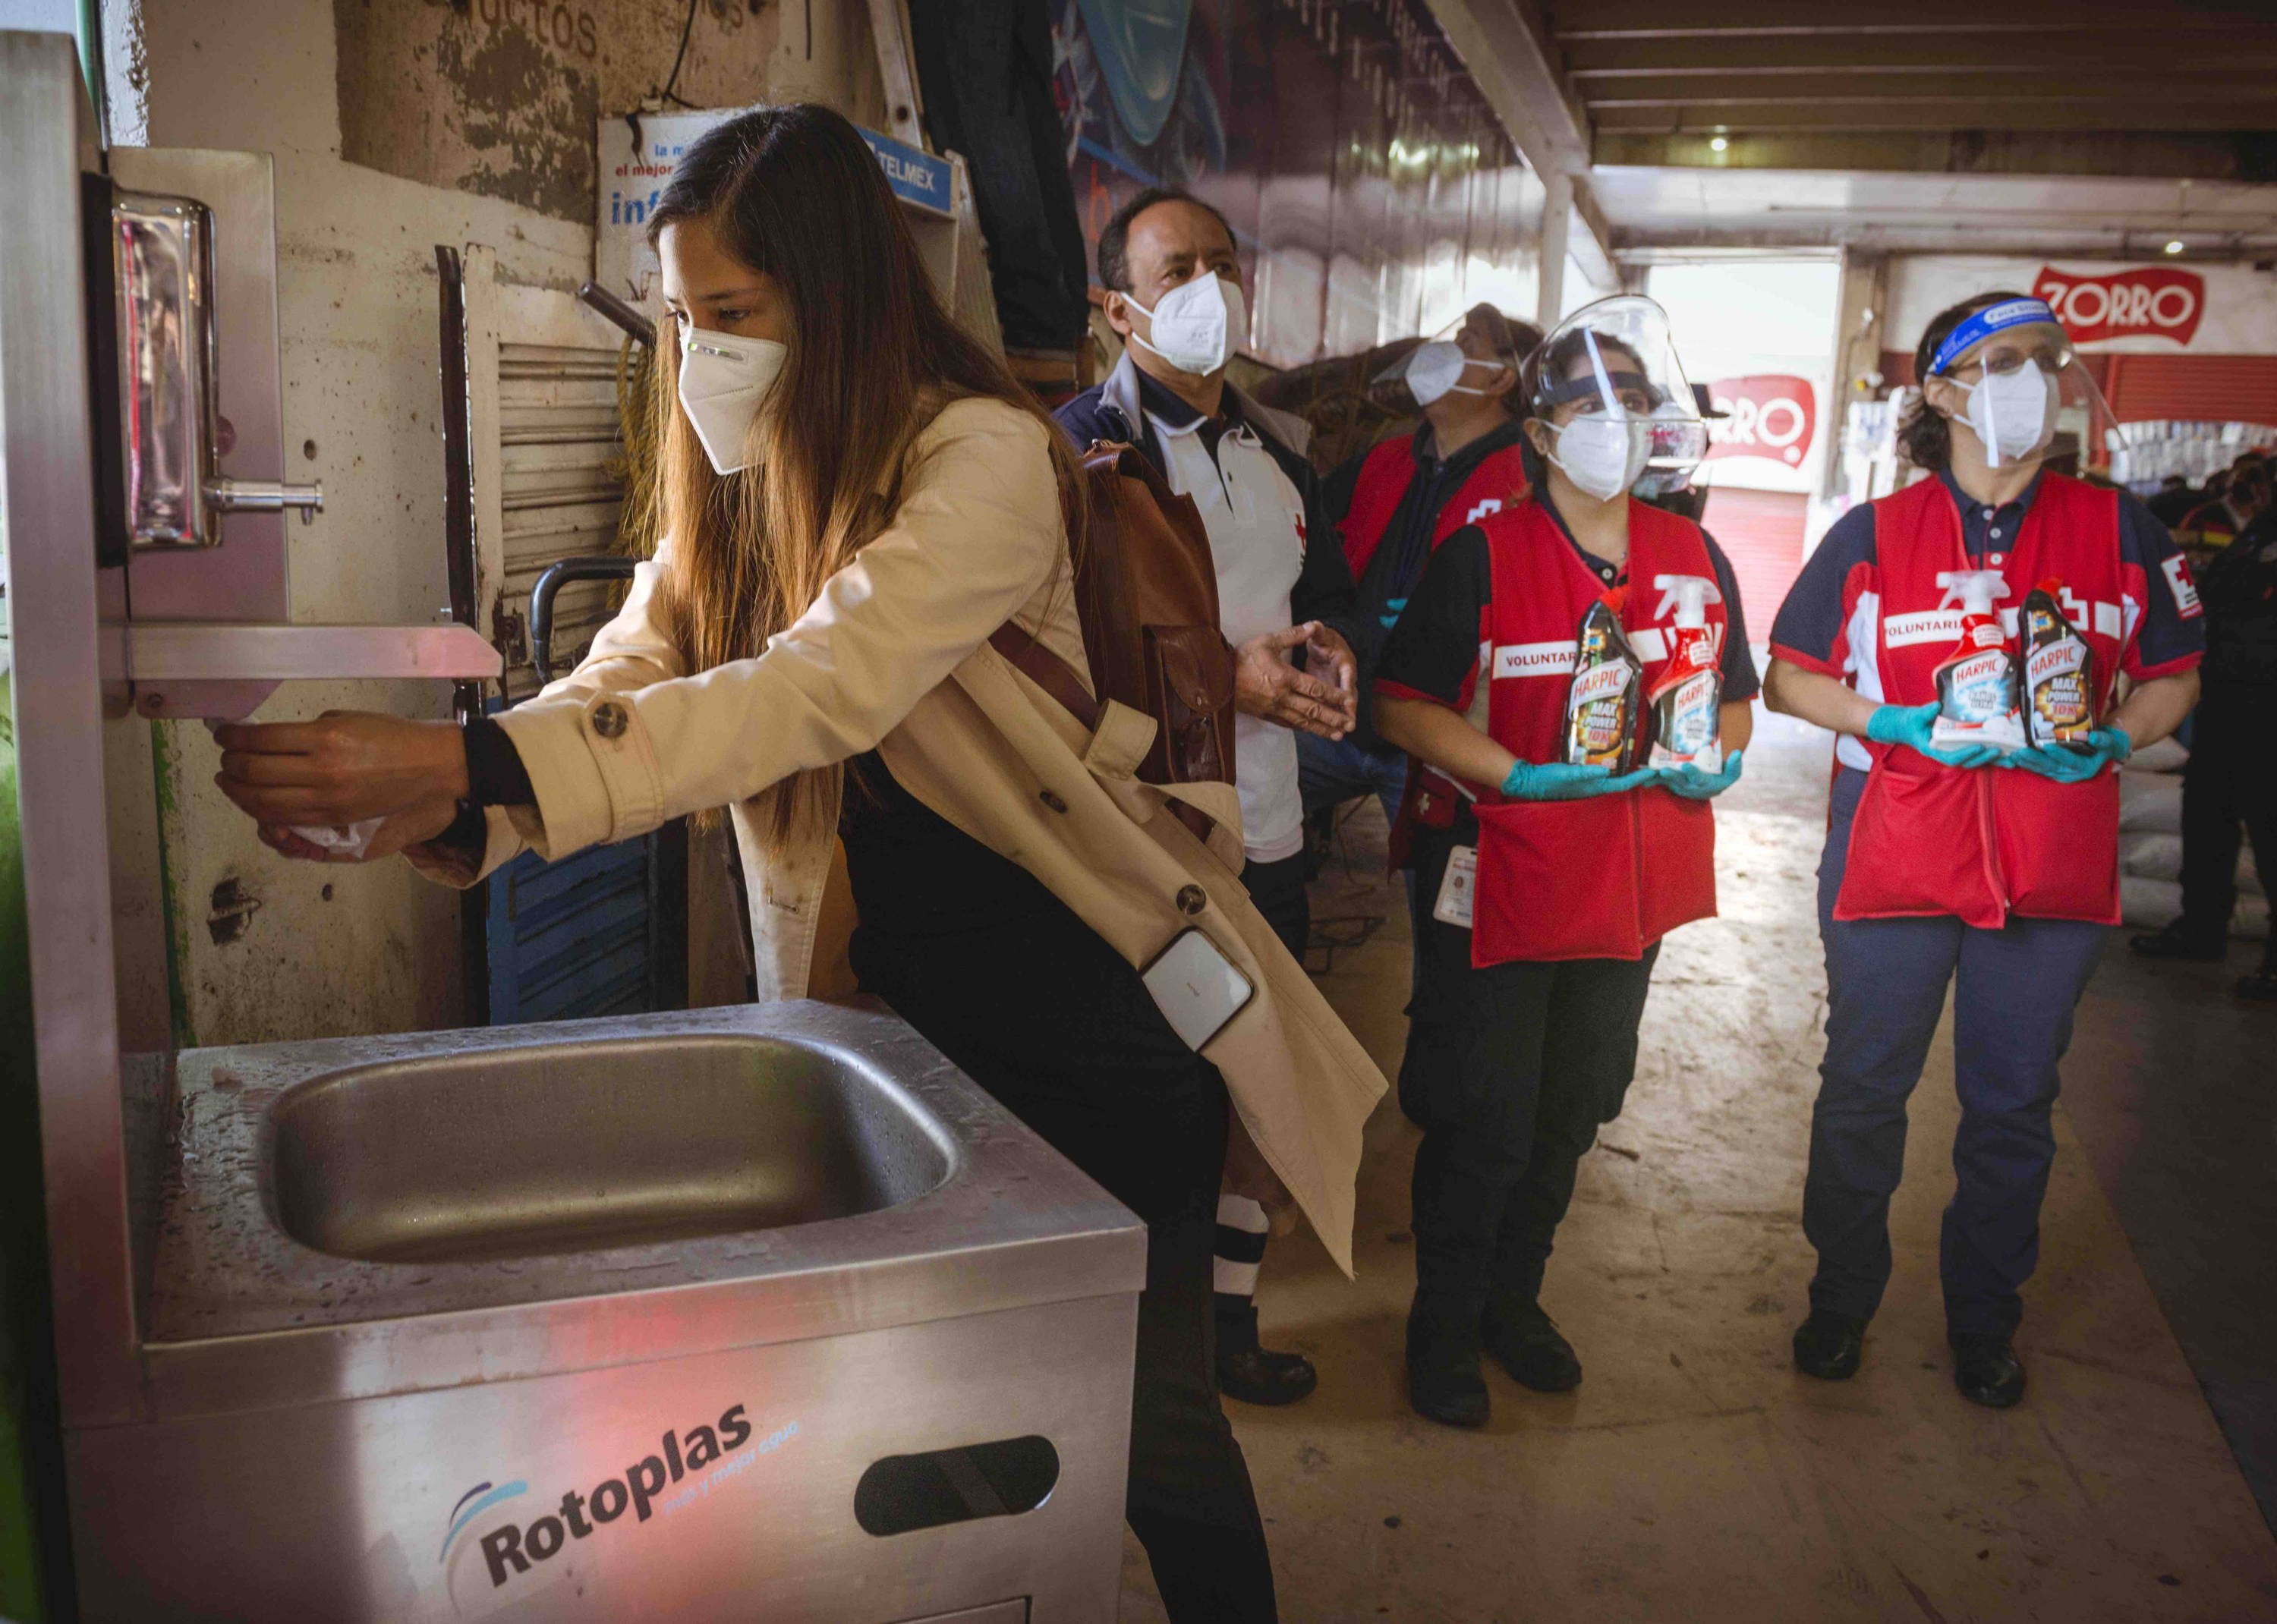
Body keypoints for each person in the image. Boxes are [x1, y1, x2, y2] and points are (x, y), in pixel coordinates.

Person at [209, 105, 1389, 1623]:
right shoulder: (746, 473)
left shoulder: (981, 460)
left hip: (1092, 1024)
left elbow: (815, 687)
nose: (702, 349)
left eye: (736, 314)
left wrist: (466, 765)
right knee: (923, 1420)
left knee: (1145, 1427)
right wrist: (460, 802)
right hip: (904, 1040)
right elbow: (635, 663)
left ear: (836, 300)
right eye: (684, 317)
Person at [1765, 290, 2203, 1410]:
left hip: (2052, 863)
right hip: (1897, 851)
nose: (2033, 380)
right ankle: (1841, 1298)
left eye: (2046, 361)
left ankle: (1984, 1318)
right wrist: (1886, 722)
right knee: (1865, 1087)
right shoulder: (1872, 534)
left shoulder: (2121, 530)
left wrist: (2117, 737)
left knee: (2013, 1102)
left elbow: (2173, 674)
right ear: (1945, 391)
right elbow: (1789, 674)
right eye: (2003, 360)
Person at [1372, 296, 1756, 1428]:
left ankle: (1513, 1303)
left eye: (1631, 402)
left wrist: (1715, 760)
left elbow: (1732, 698)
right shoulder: (1483, 554)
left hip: (1630, 885)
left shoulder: (1694, 555)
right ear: (1541, 433)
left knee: (1574, 1105)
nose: (1614, 423)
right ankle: (1440, 1326)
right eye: (1589, 404)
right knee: (1482, 1111)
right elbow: (1403, 703)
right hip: (1502, 874)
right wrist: (1517, 774)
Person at [1057, 186, 1362, 1410]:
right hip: (1141, 846)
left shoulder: (1279, 453)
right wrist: (1216, 680)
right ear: (1114, 302)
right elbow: (1054, 655)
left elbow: (1328, 597)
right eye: (1175, 267)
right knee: (1150, 1100)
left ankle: (1223, 1324)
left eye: (1222, 265)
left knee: (1258, 1099)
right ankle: (1137, 1348)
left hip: (1270, 841)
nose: (1207, 291)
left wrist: (1336, 659)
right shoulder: (1074, 456)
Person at [1304, 304, 1542, 830]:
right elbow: (1301, 530)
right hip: (1340, 720)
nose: (1444, 351)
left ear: (1502, 378)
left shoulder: (1531, 477)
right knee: (1244, 828)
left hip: (1444, 741)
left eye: (1468, 343)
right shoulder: (1383, 460)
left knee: (1443, 897)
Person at [2131, 498, 2277, 1002]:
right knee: (2207, 814)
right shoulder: (2260, 529)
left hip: (2268, 710)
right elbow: (2215, 594)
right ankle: (2201, 927)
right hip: (2226, 697)